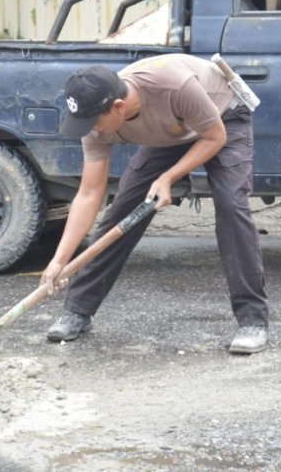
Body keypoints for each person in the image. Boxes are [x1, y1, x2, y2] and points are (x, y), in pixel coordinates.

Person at [40, 54, 268, 354]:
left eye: (92, 122)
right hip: (172, 131)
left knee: (231, 205)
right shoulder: (95, 122)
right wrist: (60, 259)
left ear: (118, 107)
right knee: (122, 210)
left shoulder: (173, 85)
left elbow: (214, 137)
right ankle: (78, 310)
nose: (89, 129)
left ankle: (252, 320)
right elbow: (89, 193)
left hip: (222, 118)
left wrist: (169, 177)